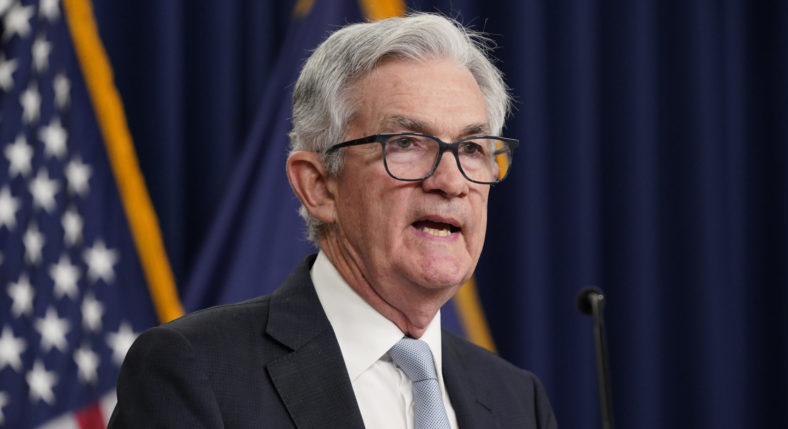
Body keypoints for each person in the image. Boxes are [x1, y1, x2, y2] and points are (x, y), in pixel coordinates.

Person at [109, 13, 557, 428]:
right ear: (319, 186)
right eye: (406, 143)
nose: (450, 181)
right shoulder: (195, 369)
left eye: (473, 149)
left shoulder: (517, 400)